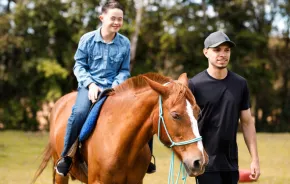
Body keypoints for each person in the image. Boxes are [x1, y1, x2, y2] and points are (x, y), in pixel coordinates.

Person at [55, 0, 131, 176]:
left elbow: (124, 70)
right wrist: (90, 84)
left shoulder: (125, 43)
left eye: (120, 19)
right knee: (79, 112)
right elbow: (79, 66)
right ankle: (67, 156)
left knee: (142, 109)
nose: (117, 22)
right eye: (113, 18)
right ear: (102, 17)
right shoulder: (87, 39)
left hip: (115, 88)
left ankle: (146, 158)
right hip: (89, 86)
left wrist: (115, 86)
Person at [188, 31, 260, 184]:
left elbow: (247, 122)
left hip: (231, 164)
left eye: (226, 50)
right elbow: (187, 124)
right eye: (217, 50)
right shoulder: (194, 85)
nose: (223, 54)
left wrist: (255, 159)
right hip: (205, 164)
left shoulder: (240, 84)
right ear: (205, 52)